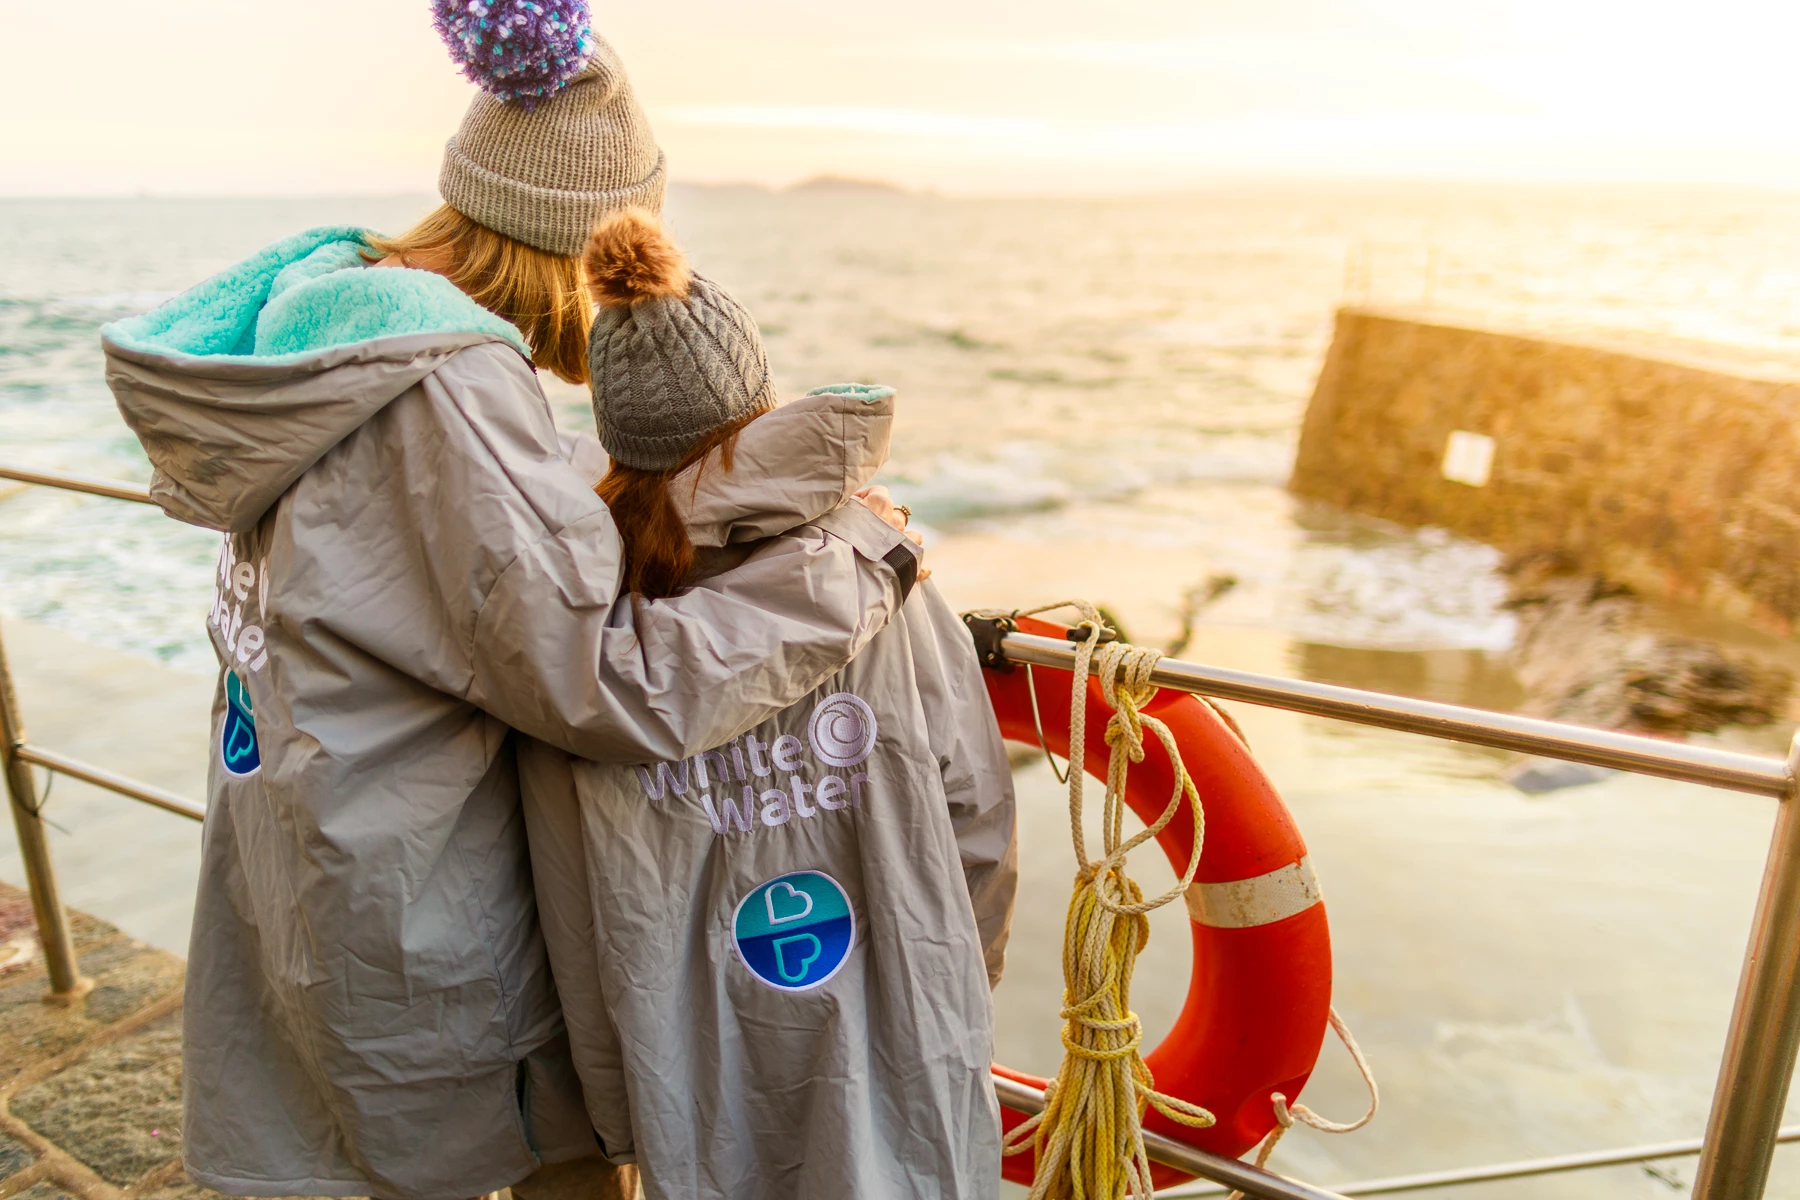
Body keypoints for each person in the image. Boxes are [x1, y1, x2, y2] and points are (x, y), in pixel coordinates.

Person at [101, 19, 920, 1200]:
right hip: (418, 897)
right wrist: (858, 559)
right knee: (543, 1157)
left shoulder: (324, 330)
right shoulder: (453, 390)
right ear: (579, 245)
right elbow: (609, 681)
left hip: (306, 855)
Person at [516, 211, 1018, 1200]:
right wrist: (963, 976)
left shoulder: (576, 613)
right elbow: (977, 812)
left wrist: (617, 1096)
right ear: (758, 404)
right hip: (891, 1013)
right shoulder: (876, 573)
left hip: (688, 1058)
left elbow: (569, 890)